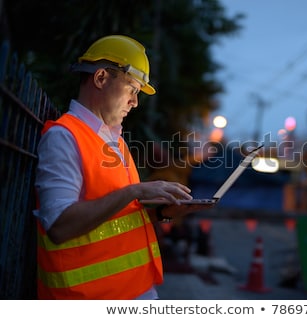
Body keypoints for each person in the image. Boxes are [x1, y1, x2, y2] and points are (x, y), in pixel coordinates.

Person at [33, 34, 212, 299]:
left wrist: (164, 212)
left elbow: (118, 217)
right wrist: (134, 192)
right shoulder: (64, 137)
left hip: (131, 292)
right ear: (101, 78)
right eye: (132, 89)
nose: (135, 102)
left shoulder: (113, 140)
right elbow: (59, 226)